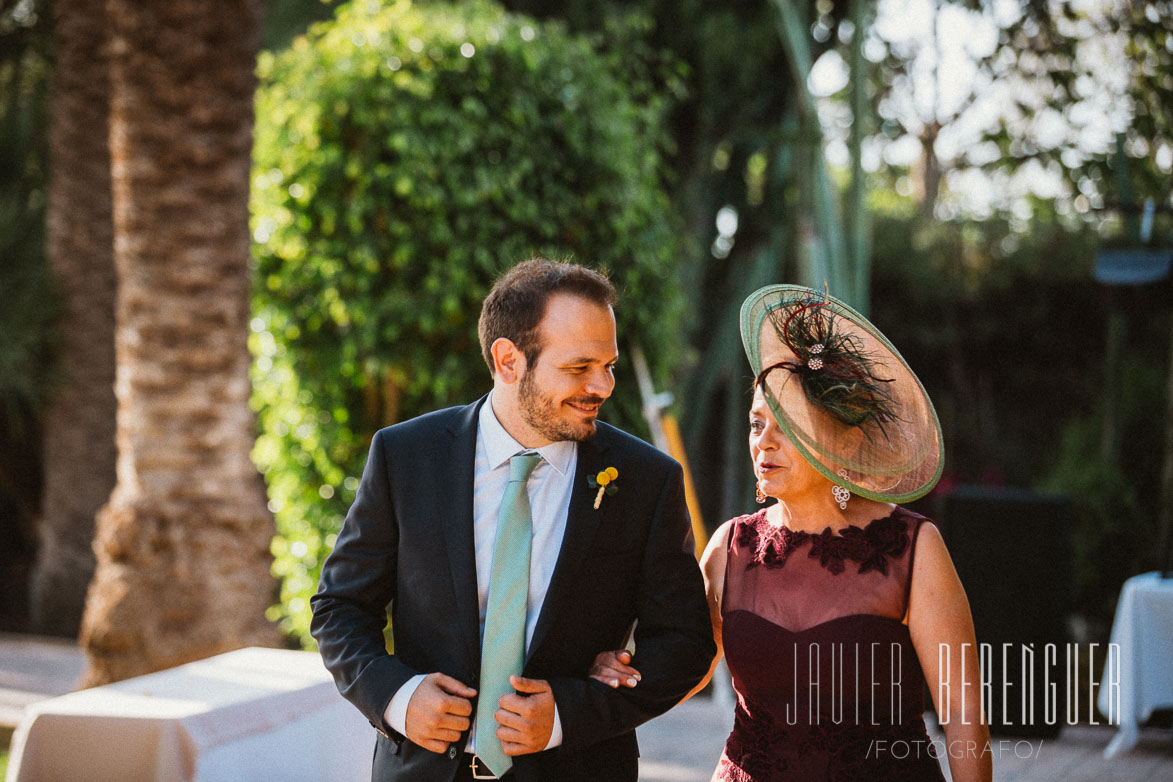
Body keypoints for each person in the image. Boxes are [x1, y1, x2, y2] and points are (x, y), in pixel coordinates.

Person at [310, 258, 715, 782]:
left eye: (609, 365)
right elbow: (339, 607)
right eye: (578, 367)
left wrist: (572, 711)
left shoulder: (645, 480)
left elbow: (685, 643)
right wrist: (397, 697)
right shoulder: (406, 456)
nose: (602, 386)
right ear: (508, 361)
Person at [591, 285, 992, 781]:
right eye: (758, 422)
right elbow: (684, 668)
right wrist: (619, 671)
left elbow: (962, 714)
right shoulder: (731, 549)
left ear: (843, 439)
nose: (765, 441)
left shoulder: (912, 548)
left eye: (788, 423)